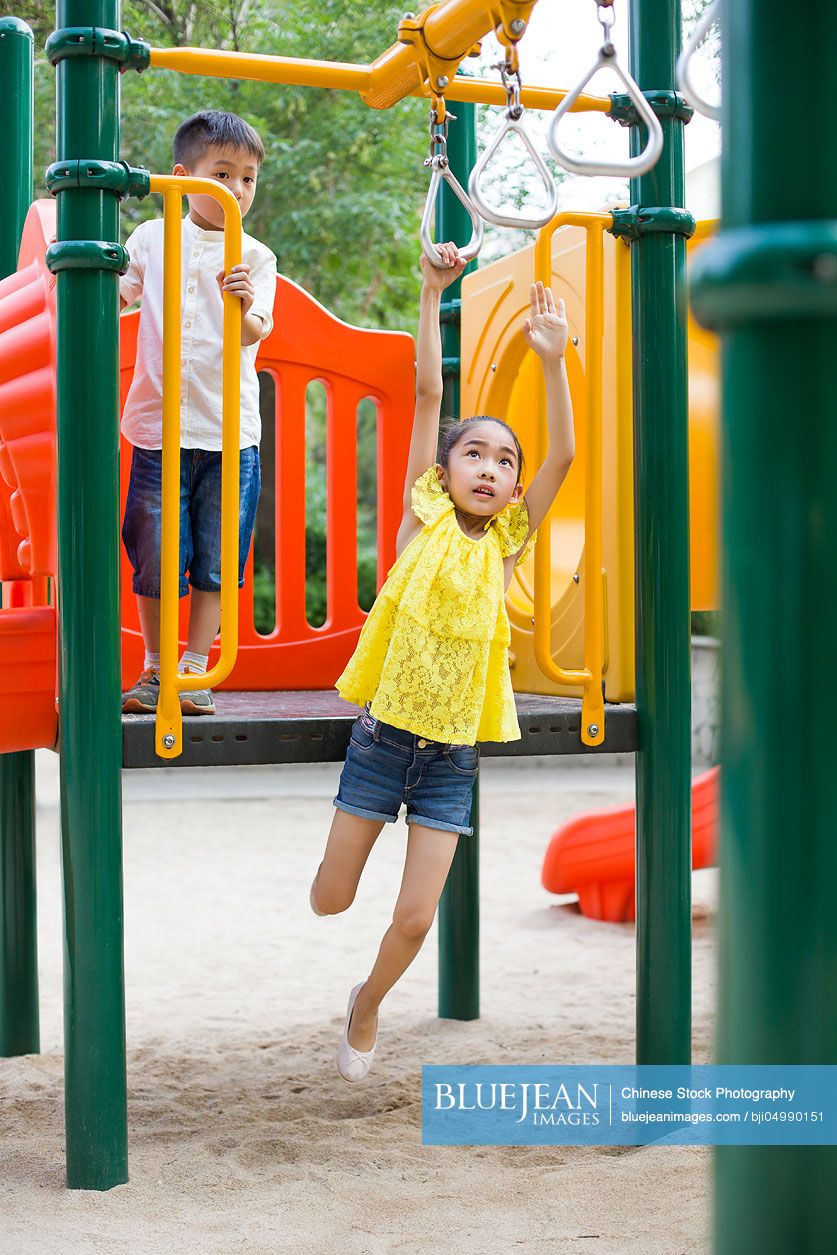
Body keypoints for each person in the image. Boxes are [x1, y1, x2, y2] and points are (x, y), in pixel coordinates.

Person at [310, 242, 575, 1082]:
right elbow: (429, 390)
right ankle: (344, 891)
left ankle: (366, 1003)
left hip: (450, 756)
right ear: (444, 471)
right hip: (383, 739)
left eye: (504, 460)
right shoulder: (418, 525)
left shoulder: (506, 546)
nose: (491, 467)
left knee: (416, 917)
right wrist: (429, 293)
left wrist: (551, 359)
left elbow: (561, 457)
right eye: (475, 453)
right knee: (330, 896)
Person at [120, 110, 277, 715]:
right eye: (224, 174)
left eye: (249, 178)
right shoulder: (152, 237)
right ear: (185, 179)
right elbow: (118, 292)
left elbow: (255, 329)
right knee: (157, 555)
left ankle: (195, 670)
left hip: (230, 433)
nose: (238, 190)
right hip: (159, 430)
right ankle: (157, 671)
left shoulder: (255, 257)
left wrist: (238, 305)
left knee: (217, 558)